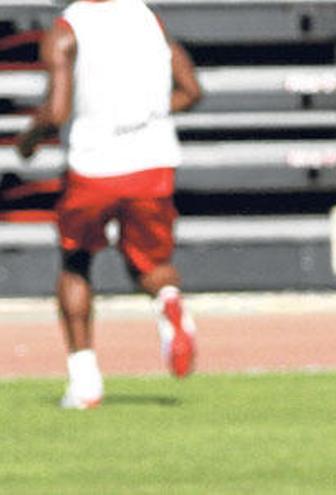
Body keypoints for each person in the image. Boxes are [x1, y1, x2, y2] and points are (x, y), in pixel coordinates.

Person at [15, 0, 202, 410]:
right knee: (150, 264)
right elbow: (191, 91)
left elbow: (57, 111)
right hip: (154, 162)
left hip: (94, 165)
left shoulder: (68, 28)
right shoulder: (147, 17)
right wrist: (147, 114)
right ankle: (169, 300)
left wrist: (25, 144)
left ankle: (85, 382)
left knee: (75, 260)